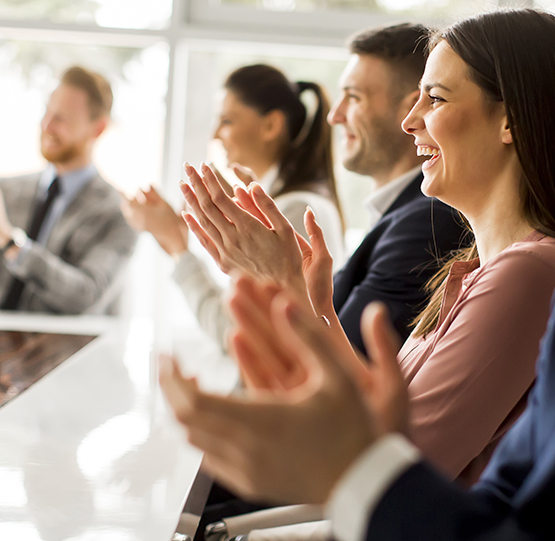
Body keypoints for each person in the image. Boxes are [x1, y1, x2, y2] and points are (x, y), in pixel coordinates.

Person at [162, 1, 555, 540]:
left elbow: (407, 456)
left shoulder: (545, 272)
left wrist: (349, 449)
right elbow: (502, 514)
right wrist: (306, 305)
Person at [178, 24, 470, 354]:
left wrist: (271, 277)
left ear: (408, 111)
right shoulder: (400, 215)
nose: (334, 115)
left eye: (354, 97)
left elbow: (344, 367)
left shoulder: (425, 223)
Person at [121, 64, 345, 346]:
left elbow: (235, 336)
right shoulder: (298, 202)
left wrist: (178, 247)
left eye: (227, 121)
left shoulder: (294, 211)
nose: (215, 135)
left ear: (271, 125)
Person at [0, 66, 136, 314]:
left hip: (62, 350)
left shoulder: (119, 213)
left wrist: (12, 244)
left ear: (98, 129)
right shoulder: (6, 191)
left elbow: (87, 295)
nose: (47, 125)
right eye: (47, 112)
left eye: (61, 119)